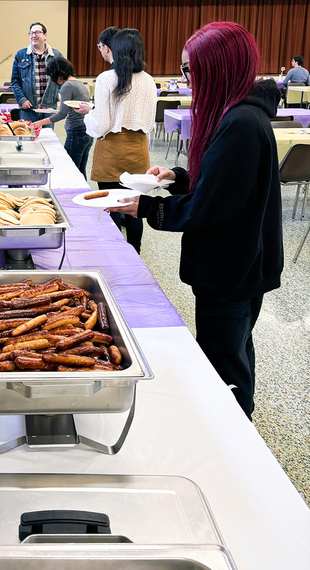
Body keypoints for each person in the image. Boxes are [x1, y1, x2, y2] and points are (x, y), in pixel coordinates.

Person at [108, 22, 283, 419]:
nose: (186, 80)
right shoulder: (238, 115)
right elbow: (224, 186)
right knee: (236, 346)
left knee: (225, 359)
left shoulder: (240, 123)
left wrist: (146, 207)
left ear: (217, 67)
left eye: (191, 70)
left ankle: (233, 428)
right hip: (240, 261)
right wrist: (177, 177)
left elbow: (210, 207)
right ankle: (237, 418)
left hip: (232, 265)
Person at [77, 27, 157, 253]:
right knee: (134, 207)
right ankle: (135, 252)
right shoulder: (149, 81)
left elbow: (101, 126)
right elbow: (149, 123)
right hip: (138, 148)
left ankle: (115, 253)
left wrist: (88, 116)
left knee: (111, 204)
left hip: (111, 148)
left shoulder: (106, 78)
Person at [31, 57, 93, 176]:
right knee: (80, 170)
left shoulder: (67, 86)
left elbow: (62, 114)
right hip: (86, 131)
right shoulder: (79, 83)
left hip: (76, 131)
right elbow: (72, 109)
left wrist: (39, 123)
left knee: (71, 170)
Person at [10, 21, 63, 124]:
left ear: (45, 35)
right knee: (27, 137)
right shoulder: (20, 55)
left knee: (47, 137)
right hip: (28, 109)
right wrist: (22, 99)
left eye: (37, 32)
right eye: (31, 33)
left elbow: (63, 79)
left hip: (49, 108)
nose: (34, 35)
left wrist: (59, 94)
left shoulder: (56, 55)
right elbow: (15, 81)